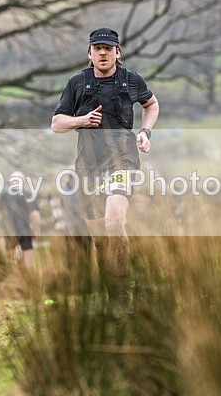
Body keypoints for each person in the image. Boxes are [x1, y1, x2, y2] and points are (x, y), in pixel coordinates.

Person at [51, 27, 159, 301]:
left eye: (108, 48)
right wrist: (80, 120)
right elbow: (56, 124)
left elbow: (152, 104)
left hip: (122, 160)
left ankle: (122, 289)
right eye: (97, 48)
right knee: (99, 237)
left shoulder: (131, 80)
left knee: (113, 222)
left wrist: (145, 132)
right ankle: (112, 292)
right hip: (87, 164)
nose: (102, 52)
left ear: (117, 52)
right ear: (89, 53)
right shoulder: (77, 83)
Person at [0, 171, 41, 277]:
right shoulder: (27, 194)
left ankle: (12, 282)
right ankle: (29, 284)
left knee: (10, 261)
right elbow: (35, 215)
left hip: (9, 232)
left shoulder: (3, 195)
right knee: (28, 263)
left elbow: (1, 215)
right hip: (25, 231)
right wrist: (36, 230)